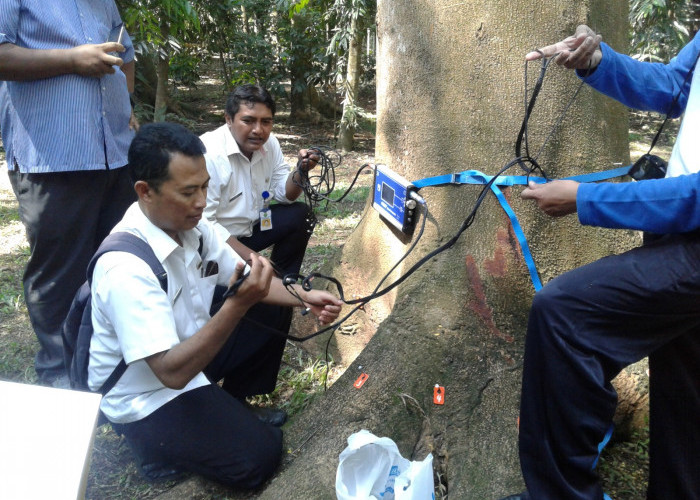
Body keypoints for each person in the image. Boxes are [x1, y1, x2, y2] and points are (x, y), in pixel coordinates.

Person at [500, 26, 700, 500]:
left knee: (564, 316)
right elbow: (676, 85)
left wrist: (588, 199)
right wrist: (596, 61)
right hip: (676, 233)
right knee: (685, 383)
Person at [89, 122, 342, 487]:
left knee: (269, 304)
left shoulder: (192, 226)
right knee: (257, 459)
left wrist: (305, 296)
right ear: (145, 192)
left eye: (205, 187)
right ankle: (150, 444)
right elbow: (170, 373)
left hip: (189, 355)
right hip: (146, 390)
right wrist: (235, 307)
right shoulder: (125, 268)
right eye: (188, 191)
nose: (202, 203)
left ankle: (232, 401)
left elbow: (251, 279)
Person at [0, 0, 138, 387]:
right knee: (60, 272)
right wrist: (72, 60)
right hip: (53, 155)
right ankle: (60, 374)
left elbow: (124, 49)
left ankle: (110, 363)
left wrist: (126, 104)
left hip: (115, 153)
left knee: (114, 261)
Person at [199, 84, 320, 279]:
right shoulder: (209, 154)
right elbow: (204, 224)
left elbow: (284, 194)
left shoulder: (270, 144)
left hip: (253, 228)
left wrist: (301, 170)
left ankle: (285, 283)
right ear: (228, 119)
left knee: (300, 215)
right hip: (217, 242)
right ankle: (265, 281)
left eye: (266, 122)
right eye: (248, 121)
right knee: (247, 287)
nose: (258, 130)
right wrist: (252, 258)